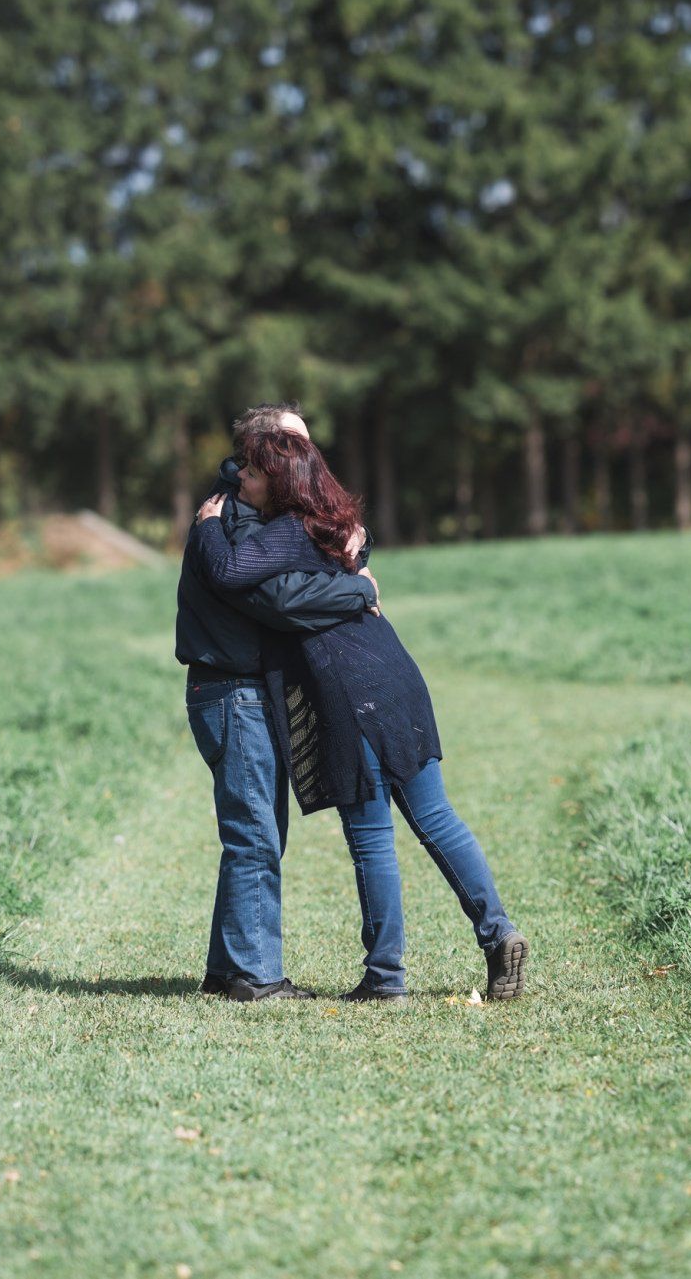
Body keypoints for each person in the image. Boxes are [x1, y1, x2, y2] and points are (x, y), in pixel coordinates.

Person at [188, 427, 529, 1003]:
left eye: (249, 470)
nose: (235, 475)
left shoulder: (278, 539)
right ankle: (499, 934)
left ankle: (386, 978)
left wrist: (212, 527)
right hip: (395, 673)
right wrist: (360, 587)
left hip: (347, 689)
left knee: (372, 837)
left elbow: (273, 600)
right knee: (436, 816)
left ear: (279, 482)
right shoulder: (333, 527)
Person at [176, 404, 379, 1001]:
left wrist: (351, 560)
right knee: (256, 834)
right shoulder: (237, 517)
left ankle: (227, 968)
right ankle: (253, 975)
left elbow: (317, 558)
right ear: (263, 456)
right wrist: (357, 589)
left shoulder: (255, 511)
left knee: (257, 829)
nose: (311, 459)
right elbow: (284, 599)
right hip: (231, 689)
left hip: (239, 688)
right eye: (296, 445)